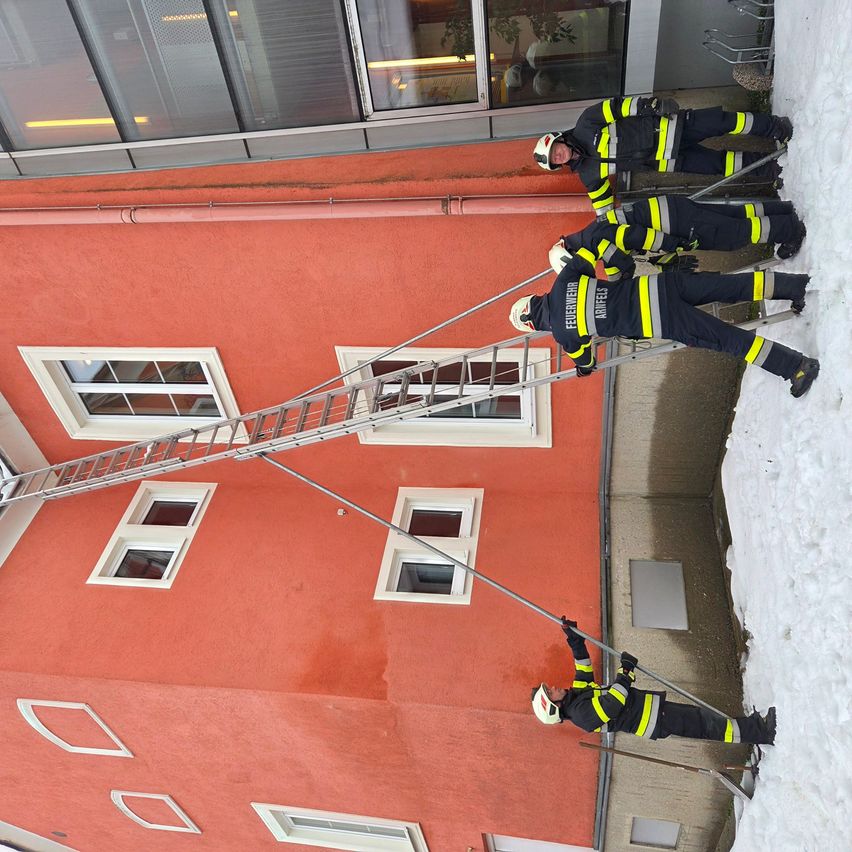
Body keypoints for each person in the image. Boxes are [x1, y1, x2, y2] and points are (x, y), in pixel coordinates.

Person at [508, 255, 820, 398]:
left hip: (662, 319)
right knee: (732, 286)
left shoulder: (564, 334)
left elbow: (587, 361)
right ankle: (796, 286)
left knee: (729, 340)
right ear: (533, 299)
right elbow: (589, 257)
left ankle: (796, 366)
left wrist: (582, 368)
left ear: (534, 324)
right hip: (661, 286)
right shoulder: (564, 282)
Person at [531, 619, 776, 745]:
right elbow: (613, 703)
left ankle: (753, 727)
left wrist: (574, 638)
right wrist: (625, 673)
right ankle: (760, 733)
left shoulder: (577, 698)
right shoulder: (582, 715)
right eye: (549, 692)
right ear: (553, 707)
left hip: (654, 711)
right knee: (705, 725)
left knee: (704, 720)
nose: (553, 687)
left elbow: (583, 667)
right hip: (652, 719)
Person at [533, 97, 793, 215]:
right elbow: (603, 211)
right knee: (721, 165)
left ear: (560, 139)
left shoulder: (586, 123)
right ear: (559, 165)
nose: (559, 155)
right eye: (556, 159)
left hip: (669, 126)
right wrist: (610, 231)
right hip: (668, 160)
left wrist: (651, 105)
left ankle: (773, 127)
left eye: (556, 149)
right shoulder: (589, 177)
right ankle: (768, 169)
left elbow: (618, 107)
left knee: (723, 121)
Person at [548, 194, 806, 281]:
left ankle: (789, 230)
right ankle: (781, 210)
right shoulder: (592, 236)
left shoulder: (594, 243)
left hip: (674, 224)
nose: (585, 266)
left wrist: (674, 245)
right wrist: (666, 261)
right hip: (670, 211)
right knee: (733, 216)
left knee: (730, 236)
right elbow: (629, 252)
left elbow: (638, 238)